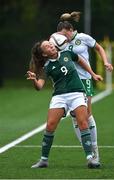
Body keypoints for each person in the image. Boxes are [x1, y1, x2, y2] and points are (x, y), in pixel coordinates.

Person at [27, 40, 103, 169]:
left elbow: (81, 61)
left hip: (77, 93)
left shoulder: (67, 53)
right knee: (50, 126)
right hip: (60, 96)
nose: (50, 45)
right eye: (46, 46)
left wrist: (93, 74)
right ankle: (44, 160)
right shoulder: (47, 67)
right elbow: (39, 86)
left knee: (83, 122)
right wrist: (34, 79)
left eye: (50, 43)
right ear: (44, 54)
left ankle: (90, 158)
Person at [55, 11, 113, 166]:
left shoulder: (83, 38)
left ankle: (95, 153)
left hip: (84, 80)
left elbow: (99, 48)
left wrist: (106, 62)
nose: (61, 37)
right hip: (69, 81)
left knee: (86, 116)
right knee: (75, 116)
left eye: (62, 34)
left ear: (69, 30)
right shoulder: (60, 42)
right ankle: (88, 153)